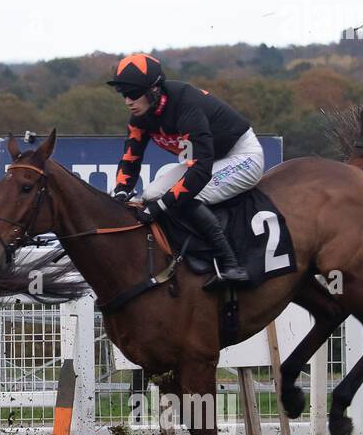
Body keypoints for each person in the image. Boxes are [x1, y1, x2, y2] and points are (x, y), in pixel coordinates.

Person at [107, 53, 260, 287]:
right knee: (149, 195)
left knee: (184, 196)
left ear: (155, 90)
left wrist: (162, 205)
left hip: (241, 155)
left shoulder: (187, 106)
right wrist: (121, 191)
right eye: (124, 94)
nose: (128, 101)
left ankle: (231, 265)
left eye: (134, 93)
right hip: (208, 159)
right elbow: (130, 159)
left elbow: (199, 172)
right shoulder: (139, 117)